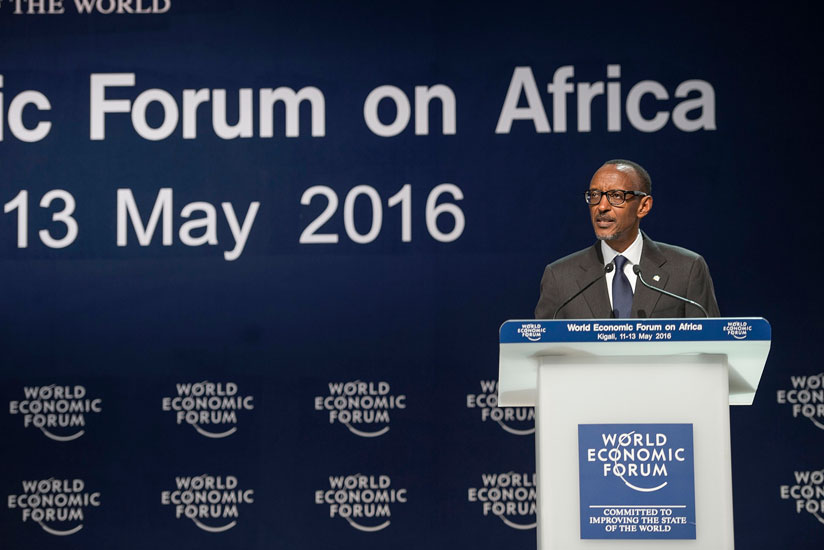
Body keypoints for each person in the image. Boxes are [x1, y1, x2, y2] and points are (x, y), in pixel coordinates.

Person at [534, 159, 720, 319]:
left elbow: (710, 348)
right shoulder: (560, 277)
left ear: (643, 206)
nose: (602, 206)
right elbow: (540, 353)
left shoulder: (687, 269)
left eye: (616, 196)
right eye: (595, 195)